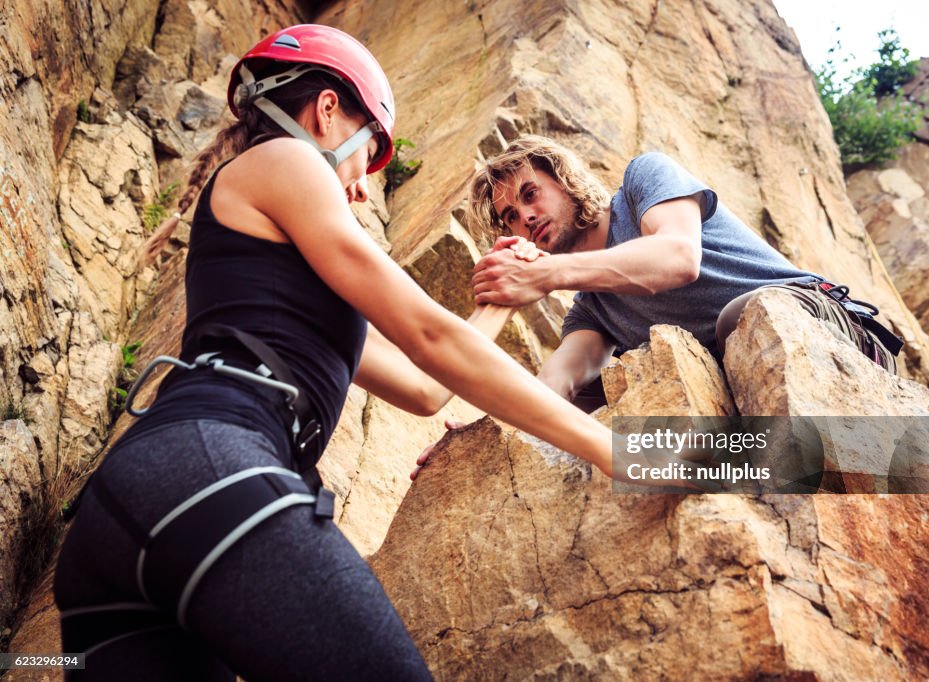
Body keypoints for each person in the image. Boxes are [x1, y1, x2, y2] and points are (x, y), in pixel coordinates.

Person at [54, 26, 612, 681]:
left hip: (121, 531)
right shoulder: (286, 161)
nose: (360, 189)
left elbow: (425, 388)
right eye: (367, 155)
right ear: (326, 112)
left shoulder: (288, 280)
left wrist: (502, 296)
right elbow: (430, 337)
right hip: (209, 472)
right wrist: (618, 450)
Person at [465, 135, 902, 412]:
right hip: (748, 387)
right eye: (510, 217)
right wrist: (486, 437)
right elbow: (553, 385)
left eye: (530, 193)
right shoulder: (590, 311)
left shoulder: (642, 182)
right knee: (589, 396)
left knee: (743, 318)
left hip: (821, 324)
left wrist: (546, 274)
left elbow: (677, 257)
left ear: (562, 180)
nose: (526, 216)